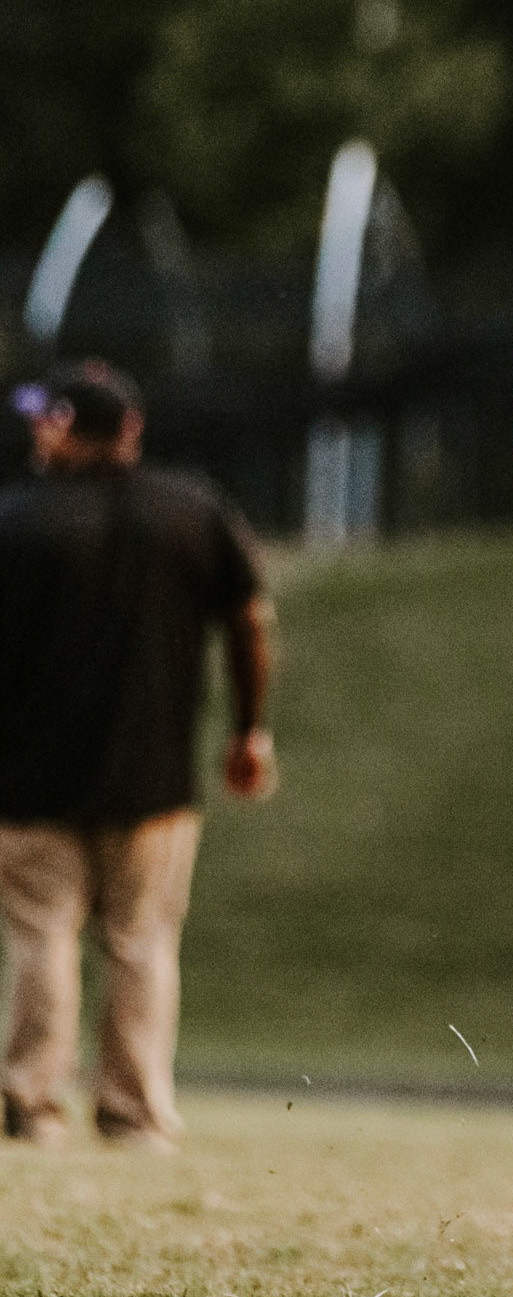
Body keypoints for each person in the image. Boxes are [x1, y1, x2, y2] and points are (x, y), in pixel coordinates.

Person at [0, 359, 276, 1148]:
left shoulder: (16, 520)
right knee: (141, 942)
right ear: (131, 429)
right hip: (154, 776)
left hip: (28, 779)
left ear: (59, 427)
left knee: (41, 936)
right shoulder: (191, 511)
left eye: (44, 420)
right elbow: (249, 621)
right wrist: (248, 730)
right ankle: (134, 1114)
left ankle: (31, 1105)